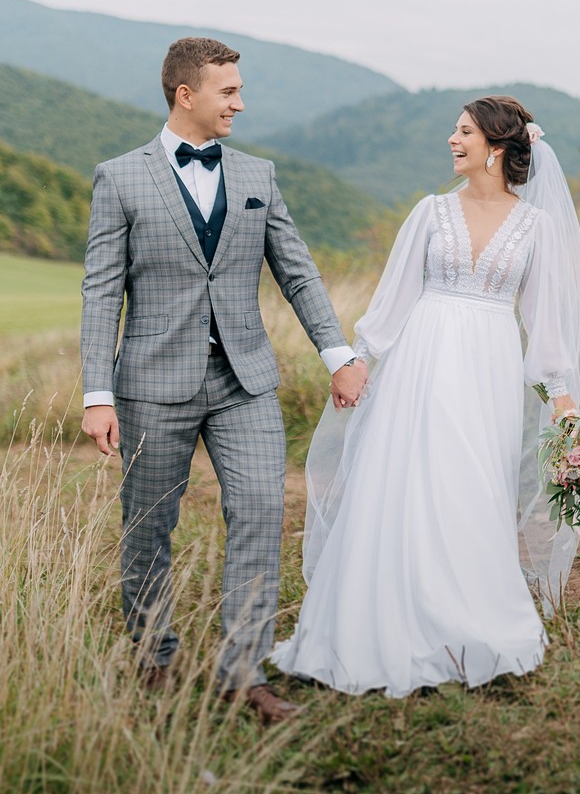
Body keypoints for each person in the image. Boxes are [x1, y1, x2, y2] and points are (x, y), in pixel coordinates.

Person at [80, 37, 369, 725]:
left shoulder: (257, 176)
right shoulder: (119, 178)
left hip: (246, 380)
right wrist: (98, 392)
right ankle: (154, 657)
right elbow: (100, 292)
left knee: (261, 514)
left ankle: (243, 672)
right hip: (151, 382)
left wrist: (338, 353)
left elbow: (296, 270)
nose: (240, 102)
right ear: (187, 94)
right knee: (148, 525)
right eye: (228, 91)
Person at [269, 95, 580, 697]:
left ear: (496, 147)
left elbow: (546, 330)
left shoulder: (537, 227)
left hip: (488, 374)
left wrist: (567, 409)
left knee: (469, 485)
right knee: (407, 482)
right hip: (419, 365)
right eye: (454, 130)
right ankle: (388, 614)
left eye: (464, 132)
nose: (452, 139)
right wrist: (359, 362)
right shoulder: (428, 213)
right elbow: (392, 301)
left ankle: (464, 619)